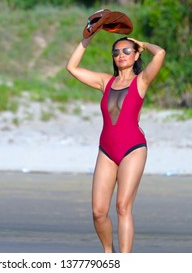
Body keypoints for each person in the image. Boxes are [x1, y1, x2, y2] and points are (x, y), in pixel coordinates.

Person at [66, 34, 165, 253]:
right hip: (107, 150)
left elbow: (160, 53)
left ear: (136, 54)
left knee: (122, 207)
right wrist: (87, 38)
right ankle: (108, 254)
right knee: (98, 212)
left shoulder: (142, 80)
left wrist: (143, 44)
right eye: (117, 52)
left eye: (127, 51)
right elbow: (72, 67)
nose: (121, 55)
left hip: (133, 149)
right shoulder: (105, 81)